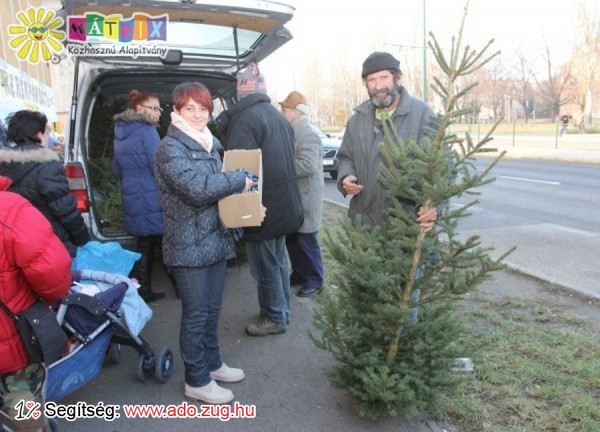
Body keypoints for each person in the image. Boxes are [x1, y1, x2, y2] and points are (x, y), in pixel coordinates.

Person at [154, 81, 255, 404]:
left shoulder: (209, 144)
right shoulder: (171, 148)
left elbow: (218, 191)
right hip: (187, 247)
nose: (197, 114)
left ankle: (212, 364)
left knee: (211, 312)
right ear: (176, 111)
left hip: (213, 240)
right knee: (196, 315)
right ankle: (196, 379)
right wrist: (239, 178)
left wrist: (244, 200)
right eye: (190, 108)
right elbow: (197, 188)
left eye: (203, 108)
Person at [216, 63, 304, 336]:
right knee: (277, 261)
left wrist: (241, 211)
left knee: (265, 267)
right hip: (284, 204)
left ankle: (274, 317)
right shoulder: (276, 116)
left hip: (263, 209)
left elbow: (240, 171)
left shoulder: (244, 121)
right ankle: (281, 311)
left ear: (240, 94)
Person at [0, 175, 72, 432]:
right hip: (11, 336)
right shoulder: (11, 211)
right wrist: (46, 301)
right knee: (22, 401)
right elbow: (53, 273)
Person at [337, 52, 439, 231]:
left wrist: (434, 206)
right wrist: (346, 177)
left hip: (406, 229)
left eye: (384, 77)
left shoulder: (422, 114)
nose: (378, 86)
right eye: (371, 80)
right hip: (364, 228)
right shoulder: (357, 120)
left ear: (397, 78)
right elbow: (345, 158)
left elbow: (440, 168)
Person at [0, 110, 90, 257]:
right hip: (52, 244)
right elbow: (66, 211)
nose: (48, 137)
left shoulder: (4, 166)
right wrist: (84, 241)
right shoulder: (48, 166)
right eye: (46, 133)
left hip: (16, 247)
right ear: (38, 135)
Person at [113, 89, 167, 302]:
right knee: (163, 242)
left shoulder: (120, 130)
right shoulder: (147, 131)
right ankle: (179, 290)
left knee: (145, 242)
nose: (157, 113)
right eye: (152, 108)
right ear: (138, 108)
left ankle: (141, 287)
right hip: (151, 194)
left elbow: (117, 169)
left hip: (132, 193)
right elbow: (159, 167)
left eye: (158, 108)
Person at [279, 91, 325, 297]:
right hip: (296, 197)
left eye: (285, 109)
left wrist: (280, 165)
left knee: (307, 241)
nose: (282, 112)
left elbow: (308, 166)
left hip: (306, 197)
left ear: (295, 112)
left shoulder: (307, 132)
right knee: (294, 239)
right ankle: (299, 273)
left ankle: (315, 279)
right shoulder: (293, 129)